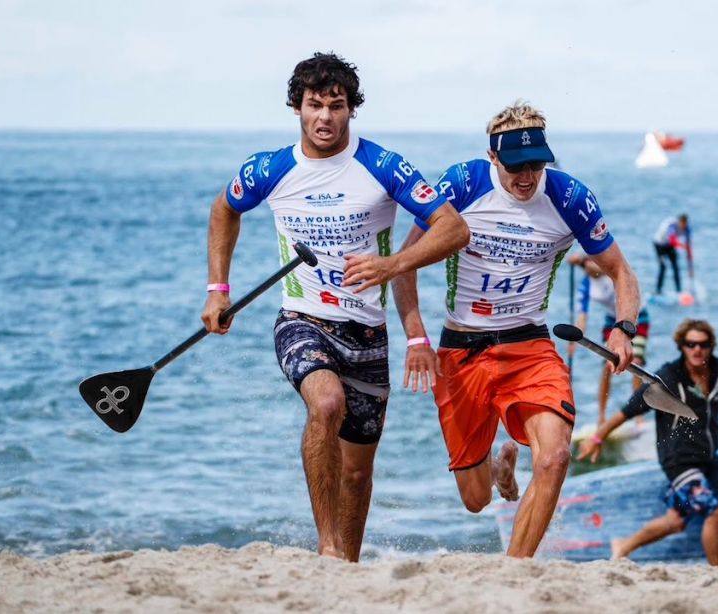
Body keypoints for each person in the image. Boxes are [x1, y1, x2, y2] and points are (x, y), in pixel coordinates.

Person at [201, 52, 469, 561]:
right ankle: (326, 546)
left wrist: (391, 266)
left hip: (368, 332)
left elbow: (454, 229)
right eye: (314, 105)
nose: (325, 117)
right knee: (325, 404)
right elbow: (224, 209)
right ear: (297, 109)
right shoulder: (271, 168)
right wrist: (218, 287)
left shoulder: (382, 165)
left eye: (336, 105)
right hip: (302, 319)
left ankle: (346, 563)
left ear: (352, 110)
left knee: (357, 469)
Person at [393, 101, 641, 557]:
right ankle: (497, 465)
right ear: (493, 158)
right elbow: (403, 265)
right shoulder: (462, 185)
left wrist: (624, 327)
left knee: (554, 457)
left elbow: (622, 272)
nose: (526, 177)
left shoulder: (568, 197)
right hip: (462, 348)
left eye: (535, 165)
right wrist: (416, 337)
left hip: (529, 345)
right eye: (515, 167)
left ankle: (515, 572)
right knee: (476, 499)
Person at [577, 319, 718, 566]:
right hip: (678, 460)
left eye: (703, 345)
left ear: (711, 347)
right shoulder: (669, 378)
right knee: (713, 510)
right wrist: (598, 437)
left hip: (705, 459)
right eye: (690, 344)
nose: (697, 350)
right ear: (681, 346)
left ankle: (624, 545)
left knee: (677, 521)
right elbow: (629, 409)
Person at [566, 253, 651, 424]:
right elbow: (582, 317)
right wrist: (573, 340)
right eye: (586, 264)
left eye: (590, 261)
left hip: (636, 317)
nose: (589, 266)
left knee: (636, 363)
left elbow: (605, 267)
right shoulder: (586, 286)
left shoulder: (610, 272)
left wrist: (581, 259)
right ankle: (601, 417)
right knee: (608, 366)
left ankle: (638, 415)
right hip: (612, 321)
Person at [652, 213, 689, 294]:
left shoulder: (687, 228)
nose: (683, 227)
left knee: (676, 266)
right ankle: (658, 290)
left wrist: (690, 265)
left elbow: (689, 245)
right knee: (663, 267)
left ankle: (678, 291)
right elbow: (672, 240)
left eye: (685, 225)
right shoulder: (672, 226)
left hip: (669, 246)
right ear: (679, 222)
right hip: (659, 245)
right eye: (682, 224)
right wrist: (682, 246)